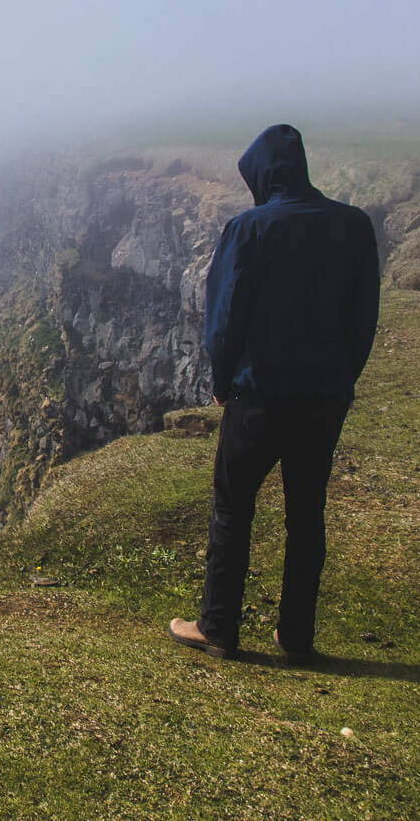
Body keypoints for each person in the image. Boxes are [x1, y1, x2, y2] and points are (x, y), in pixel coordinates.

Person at [168, 124, 381, 664]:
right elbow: (363, 316)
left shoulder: (249, 229)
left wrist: (221, 382)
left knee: (232, 509)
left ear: (263, 174)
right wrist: (342, 380)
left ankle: (217, 626)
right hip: (324, 399)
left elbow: (225, 317)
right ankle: (296, 637)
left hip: (260, 396)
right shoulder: (354, 226)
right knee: (307, 514)